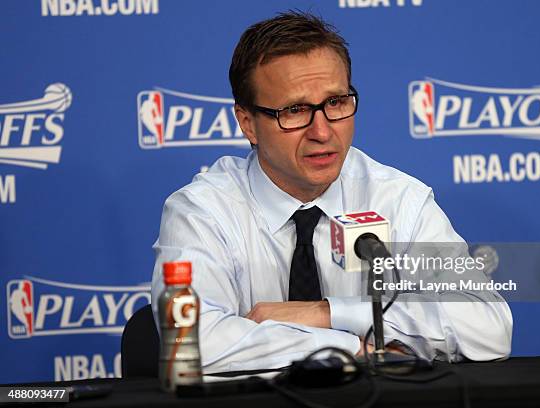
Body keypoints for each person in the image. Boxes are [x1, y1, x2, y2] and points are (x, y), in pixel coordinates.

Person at [151, 11, 512, 373]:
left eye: (336, 103)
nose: (322, 132)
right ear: (248, 123)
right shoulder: (203, 210)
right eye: (295, 110)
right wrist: (354, 347)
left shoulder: (398, 200)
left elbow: (488, 326)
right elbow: (191, 341)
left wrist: (328, 313)